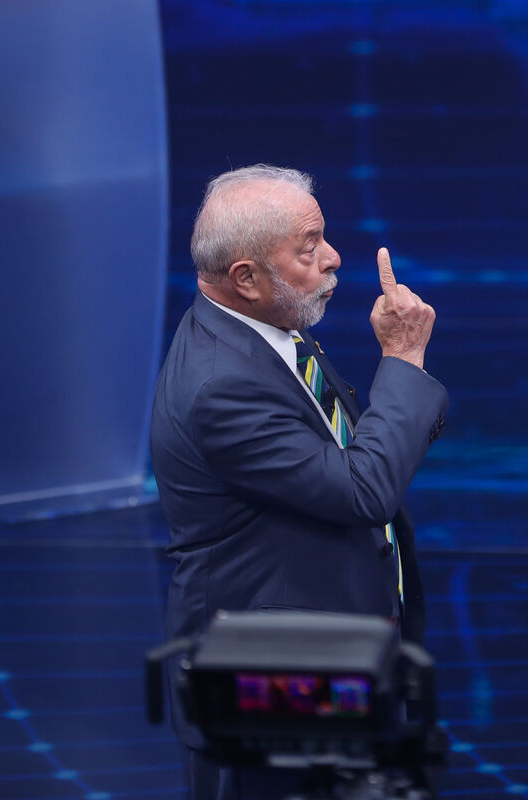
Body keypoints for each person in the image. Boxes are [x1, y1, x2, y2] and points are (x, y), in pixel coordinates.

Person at [150, 164, 447, 799]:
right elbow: (365, 490)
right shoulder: (222, 385)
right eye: (307, 247)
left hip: (327, 658)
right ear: (246, 277)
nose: (334, 257)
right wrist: (403, 362)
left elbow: (353, 448)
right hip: (268, 687)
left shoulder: (263, 333)